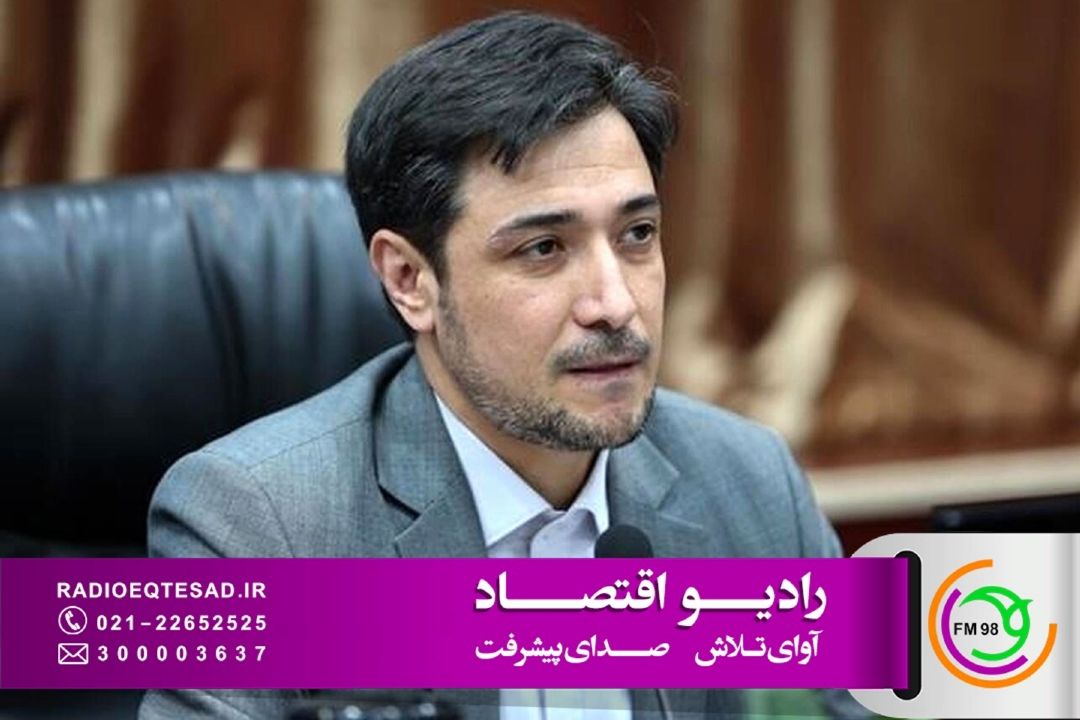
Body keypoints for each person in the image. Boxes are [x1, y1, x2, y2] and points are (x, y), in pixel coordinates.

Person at [140, 11, 854, 720]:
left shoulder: (750, 483)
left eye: (637, 234)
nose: (615, 304)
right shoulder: (263, 527)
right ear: (410, 280)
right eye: (543, 249)